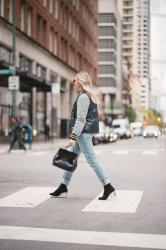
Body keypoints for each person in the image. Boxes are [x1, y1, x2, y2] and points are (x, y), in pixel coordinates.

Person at [50, 72, 115, 200]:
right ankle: (63, 185)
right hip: (82, 133)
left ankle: (107, 185)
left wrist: (73, 138)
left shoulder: (84, 97)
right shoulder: (85, 96)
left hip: (82, 134)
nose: (73, 82)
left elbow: (81, 120)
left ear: (80, 82)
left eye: (75, 80)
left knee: (92, 160)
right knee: (71, 158)